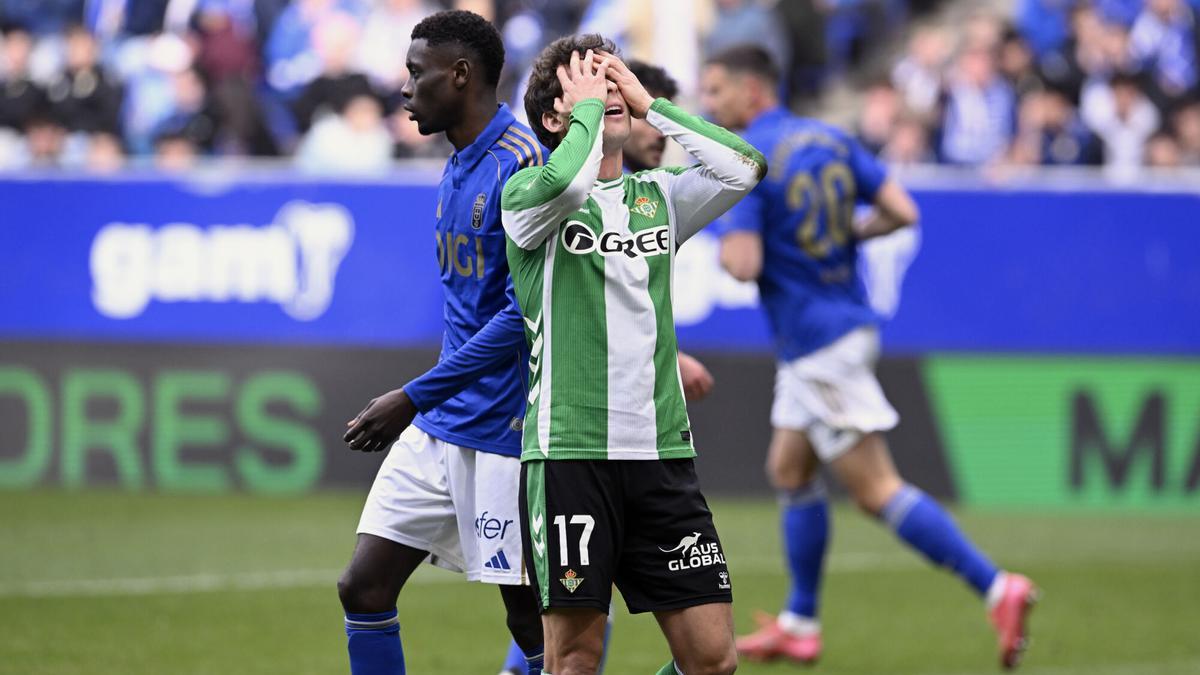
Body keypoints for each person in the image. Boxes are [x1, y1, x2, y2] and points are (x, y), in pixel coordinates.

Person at [699, 45, 1039, 670]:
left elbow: (743, 265)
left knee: (876, 489)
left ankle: (997, 587)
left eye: (716, 91)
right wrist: (844, 235)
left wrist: (720, 234)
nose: (708, 103)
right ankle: (801, 622)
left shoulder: (746, 158)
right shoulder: (830, 137)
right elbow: (902, 211)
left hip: (818, 341)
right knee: (789, 469)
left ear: (752, 91)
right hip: (841, 323)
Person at [501, 35, 766, 675]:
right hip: (570, 456)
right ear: (552, 118)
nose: (607, 90)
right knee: (574, 660)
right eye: (587, 82)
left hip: (661, 456)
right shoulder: (527, 196)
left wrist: (653, 106)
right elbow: (568, 182)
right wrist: (591, 113)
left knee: (713, 660)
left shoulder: (659, 196)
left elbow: (745, 167)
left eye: (612, 77)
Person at [337, 10, 546, 675]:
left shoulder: (522, 165)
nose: (404, 88)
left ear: (459, 75)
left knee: (533, 619)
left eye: (415, 73)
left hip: (506, 430)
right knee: (363, 586)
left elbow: (522, 316)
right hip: (440, 422)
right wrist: (426, 401)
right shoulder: (458, 161)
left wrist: (412, 396)